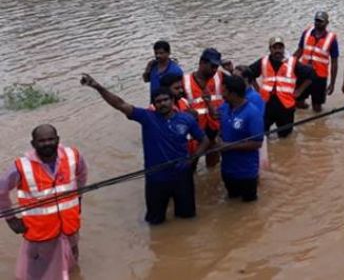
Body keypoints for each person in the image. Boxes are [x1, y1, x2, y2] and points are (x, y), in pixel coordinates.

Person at [81, 74, 210, 225]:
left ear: (173, 100)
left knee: (187, 219)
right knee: (155, 222)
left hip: (182, 177)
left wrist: (192, 159)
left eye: (165, 100)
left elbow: (205, 141)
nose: (162, 104)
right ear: (154, 105)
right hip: (156, 179)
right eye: (158, 102)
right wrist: (97, 87)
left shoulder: (186, 119)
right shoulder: (147, 117)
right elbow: (120, 104)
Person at [0, 125, 87, 280]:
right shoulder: (21, 167)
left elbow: (82, 175)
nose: (47, 143)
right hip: (41, 231)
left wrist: (78, 198)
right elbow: (1, 191)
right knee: (38, 272)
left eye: (50, 139)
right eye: (42, 141)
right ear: (33, 144)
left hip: (69, 225)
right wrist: (11, 219)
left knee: (72, 263)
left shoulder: (73, 156)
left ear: (58, 140)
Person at [249, 37, 313, 138]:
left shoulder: (292, 62)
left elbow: (311, 75)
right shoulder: (263, 61)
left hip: (285, 105)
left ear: (283, 49)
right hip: (266, 104)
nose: (278, 50)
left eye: (280, 47)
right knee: (262, 135)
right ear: (270, 49)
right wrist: (257, 90)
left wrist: (299, 91)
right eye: (275, 48)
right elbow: (249, 73)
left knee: (286, 137)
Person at [216, 75, 264, 202]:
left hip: (246, 171)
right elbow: (220, 127)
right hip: (227, 169)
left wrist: (229, 146)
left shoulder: (252, 113)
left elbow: (257, 143)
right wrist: (218, 138)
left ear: (233, 93)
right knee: (232, 201)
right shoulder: (224, 108)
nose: (222, 95)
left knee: (249, 207)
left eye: (224, 91)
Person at [183, 48, 224, 167]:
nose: (214, 70)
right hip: (195, 131)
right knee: (191, 164)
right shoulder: (184, 81)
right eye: (212, 66)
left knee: (213, 166)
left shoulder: (220, 77)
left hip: (214, 128)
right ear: (201, 62)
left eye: (216, 66)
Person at [294, 11, 339, 113]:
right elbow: (299, 51)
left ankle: (317, 125)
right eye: (316, 20)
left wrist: (332, 83)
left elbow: (334, 62)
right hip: (304, 73)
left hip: (320, 76)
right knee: (298, 101)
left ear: (327, 23)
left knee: (317, 107)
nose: (318, 23)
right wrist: (288, 64)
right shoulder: (306, 33)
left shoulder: (331, 39)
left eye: (321, 21)